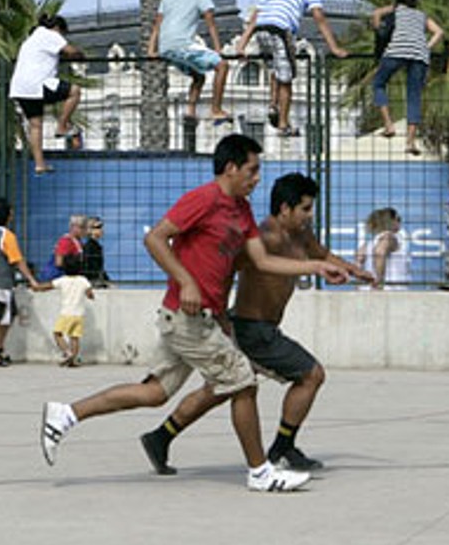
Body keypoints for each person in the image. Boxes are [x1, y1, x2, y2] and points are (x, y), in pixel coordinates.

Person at [39, 134, 354, 493]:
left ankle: (66, 414)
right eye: (252, 170)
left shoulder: (242, 210)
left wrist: (316, 266)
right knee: (242, 382)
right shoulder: (203, 199)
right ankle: (260, 471)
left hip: (201, 318)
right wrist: (185, 281)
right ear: (231, 168)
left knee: (154, 393)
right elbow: (155, 238)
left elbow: (263, 261)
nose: (257, 178)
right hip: (184, 315)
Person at [135, 172, 372, 477]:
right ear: (285, 208)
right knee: (311, 375)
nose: (309, 215)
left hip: (263, 327)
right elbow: (226, 271)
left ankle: (161, 437)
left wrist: (353, 270)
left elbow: (322, 254)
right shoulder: (264, 238)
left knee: (221, 389)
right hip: (251, 328)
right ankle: (281, 448)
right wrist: (219, 314)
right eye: (305, 208)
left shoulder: (301, 234)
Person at [240, 0, 348, 137]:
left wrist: (241, 45)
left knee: (275, 68)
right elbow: (319, 17)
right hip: (280, 30)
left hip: (261, 30)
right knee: (287, 79)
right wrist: (334, 47)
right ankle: (283, 124)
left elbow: (255, 16)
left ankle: (273, 105)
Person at [146, 0, 233, 127]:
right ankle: (216, 109)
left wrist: (152, 50)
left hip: (166, 48)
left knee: (198, 76)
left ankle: (190, 111)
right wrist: (218, 49)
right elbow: (211, 23)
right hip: (183, 45)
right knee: (222, 66)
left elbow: (157, 24)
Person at [0, 197, 52, 367]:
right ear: (7, 216)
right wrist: (31, 279)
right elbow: (17, 260)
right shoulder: (7, 236)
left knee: (9, 315)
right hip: (0, 282)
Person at [9, 14, 85, 175]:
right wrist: (80, 54)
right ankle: (62, 126)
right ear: (58, 29)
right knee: (75, 91)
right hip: (38, 84)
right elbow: (70, 51)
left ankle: (39, 164)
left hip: (20, 88)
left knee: (35, 125)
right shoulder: (50, 34)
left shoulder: (31, 39)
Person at [371, 0, 442, 156]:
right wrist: (426, 47)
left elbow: (376, 14)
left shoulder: (397, 10)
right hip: (419, 55)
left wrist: (379, 29)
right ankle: (410, 142)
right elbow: (439, 32)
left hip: (396, 52)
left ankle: (388, 124)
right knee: (414, 96)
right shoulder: (422, 15)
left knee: (378, 83)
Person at [49, 252, 94, 367]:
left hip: (66, 313)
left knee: (57, 334)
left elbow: (48, 286)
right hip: (79, 315)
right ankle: (74, 359)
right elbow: (90, 293)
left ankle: (67, 353)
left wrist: (36, 287)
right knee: (75, 337)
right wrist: (90, 296)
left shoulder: (62, 280)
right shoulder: (83, 280)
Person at [357, 206, 411, 289]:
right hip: (390, 290)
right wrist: (380, 279)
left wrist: (358, 286)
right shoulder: (390, 237)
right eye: (398, 219)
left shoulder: (368, 244)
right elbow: (380, 252)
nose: (400, 222)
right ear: (392, 221)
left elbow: (358, 261)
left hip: (367, 290)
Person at [47, 215, 87, 280]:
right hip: (59, 277)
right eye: (81, 227)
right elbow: (58, 263)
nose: (84, 230)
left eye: (84, 227)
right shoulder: (65, 241)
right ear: (72, 227)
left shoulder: (78, 242)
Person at [80, 215, 108, 286]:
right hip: (92, 283)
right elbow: (91, 268)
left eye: (101, 227)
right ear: (90, 230)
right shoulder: (89, 247)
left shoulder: (96, 246)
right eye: (98, 227)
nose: (101, 229)